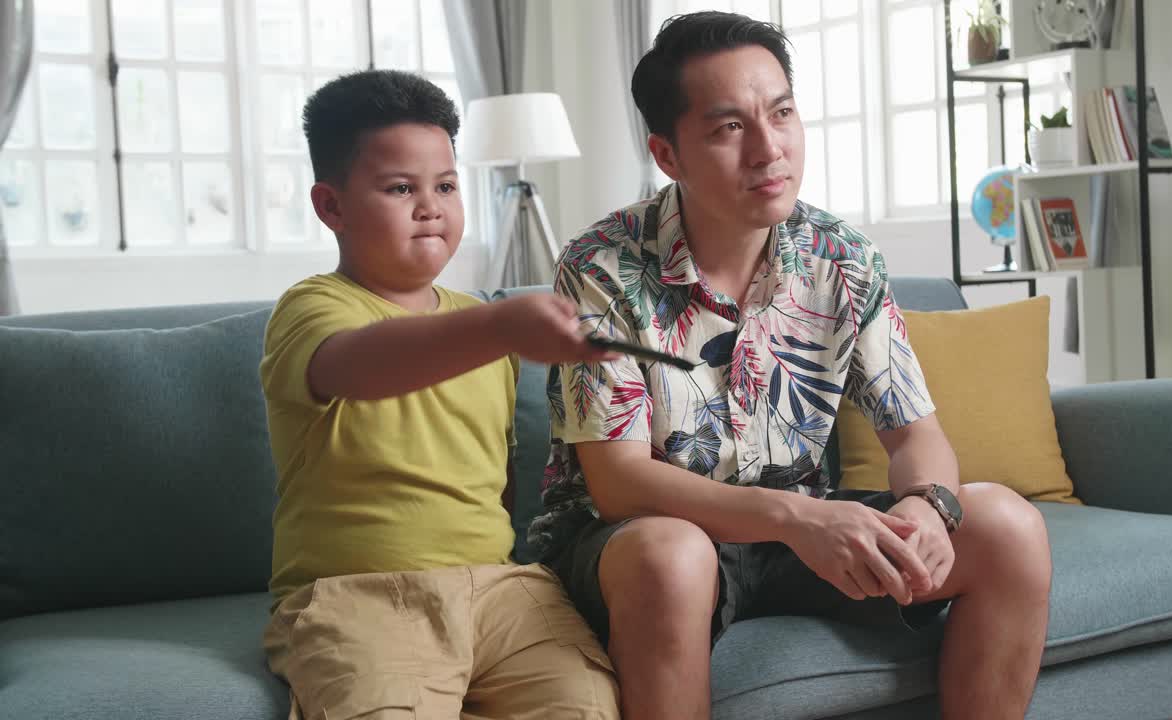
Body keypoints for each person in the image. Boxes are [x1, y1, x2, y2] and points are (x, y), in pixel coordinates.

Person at [530, 12, 1052, 720]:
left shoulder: (842, 257)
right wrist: (797, 518)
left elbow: (914, 434)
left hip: (800, 531)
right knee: (674, 557)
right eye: (728, 128)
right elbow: (620, 483)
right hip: (640, 538)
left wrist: (930, 507)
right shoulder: (601, 266)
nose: (769, 149)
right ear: (668, 153)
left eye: (782, 113)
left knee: (1008, 528)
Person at [259, 69, 619, 720]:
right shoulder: (313, 308)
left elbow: (500, 473)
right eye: (401, 188)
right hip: (360, 594)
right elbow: (356, 367)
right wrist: (501, 324)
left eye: (446, 186)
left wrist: (498, 328)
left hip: (502, 591)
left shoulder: (482, 328)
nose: (431, 206)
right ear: (330, 205)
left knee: (586, 704)